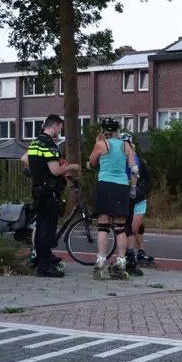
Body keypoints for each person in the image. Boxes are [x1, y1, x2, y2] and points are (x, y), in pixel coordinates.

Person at [24, 114, 80, 277]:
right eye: (60, 128)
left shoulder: (35, 142)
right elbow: (55, 170)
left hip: (38, 190)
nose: (60, 131)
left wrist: (37, 171)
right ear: (55, 125)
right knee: (47, 229)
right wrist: (72, 167)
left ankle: (45, 257)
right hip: (49, 192)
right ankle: (44, 266)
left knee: (42, 226)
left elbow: (25, 159)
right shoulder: (49, 145)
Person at [88, 117, 139, 278]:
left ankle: (101, 260)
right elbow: (134, 169)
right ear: (117, 130)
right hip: (121, 187)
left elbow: (92, 162)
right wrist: (132, 188)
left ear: (102, 129)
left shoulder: (101, 144)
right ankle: (121, 261)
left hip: (105, 185)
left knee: (103, 225)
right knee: (120, 227)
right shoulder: (126, 145)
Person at [119, 133, 146, 276]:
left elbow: (135, 174)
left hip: (126, 193)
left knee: (124, 227)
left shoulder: (130, 158)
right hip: (127, 193)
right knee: (125, 227)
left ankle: (128, 258)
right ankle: (129, 258)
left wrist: (133, 189)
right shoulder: (130, 157)